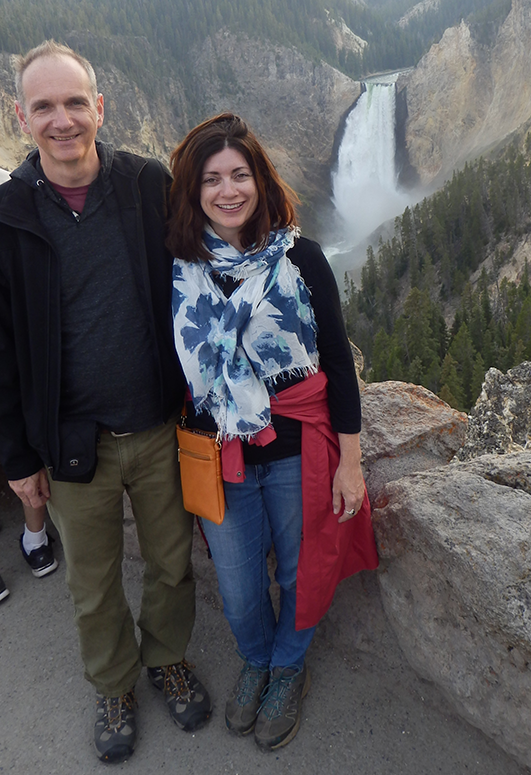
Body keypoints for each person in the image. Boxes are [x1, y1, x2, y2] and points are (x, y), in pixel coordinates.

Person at [0, 41, 211, 764]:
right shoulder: (6, 216)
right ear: (20, 115)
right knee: (91, 586)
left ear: (101, 106)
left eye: (75, 102)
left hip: (158, 424)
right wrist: (17, 455)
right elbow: (0, 349)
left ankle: (166, 659)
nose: (63, 120)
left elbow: (203, 276)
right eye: (46, 106)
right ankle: (113, 683)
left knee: (170, 564)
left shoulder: (147, 183)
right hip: (68, 440)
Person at [168, 112, 378, 751]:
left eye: (240, 174)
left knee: (298, 569)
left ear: (260, 180)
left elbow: (337, 362)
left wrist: (351, 460)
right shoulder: (179, 267)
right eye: (212, 179)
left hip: (297, 448)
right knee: (235, 584)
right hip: (219, 449)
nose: (228, 190)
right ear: (193, 189)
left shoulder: (302, 257)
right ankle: (256, 657)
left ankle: (288, 667)